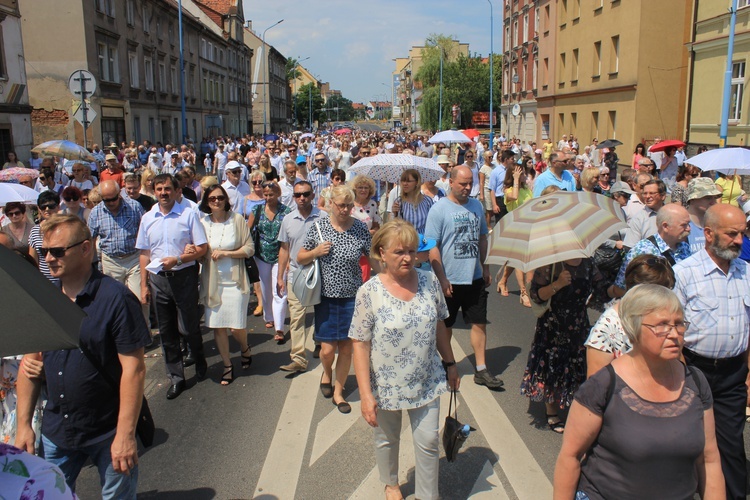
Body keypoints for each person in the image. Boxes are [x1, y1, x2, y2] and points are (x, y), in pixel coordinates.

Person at [15, 214, 150, 497]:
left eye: (58, 251)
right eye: (44, 252)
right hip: (57, 431)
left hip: (107, 430)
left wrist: (125, 435)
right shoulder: (45, 298)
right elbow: (30, 365)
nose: (49, 258)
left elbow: (134, 370)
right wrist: (24, 426)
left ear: (86, 248)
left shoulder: (116, 299)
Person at [554, 284, 724, 500]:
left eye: (679, 323)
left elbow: (708, 459)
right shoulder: (604, 385)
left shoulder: (696, 382)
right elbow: (570, 456)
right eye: (662, 325)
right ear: (634, 327)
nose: (674, 334)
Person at [350, 220, 460, 500]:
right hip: (386, 384)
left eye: (412, 251)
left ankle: (427, 495)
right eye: (399, 251)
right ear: (381, 253)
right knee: (387, 439)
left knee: (428, 442)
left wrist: (450, 364)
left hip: (427, 378)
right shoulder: (369, 292)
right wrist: (365, 395)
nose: (408, 258)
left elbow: (439, 327)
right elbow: (360, 346)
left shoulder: (429, 281)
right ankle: (390, 483)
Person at [674, 203, 750, 499]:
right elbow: (673, 332)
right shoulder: (684, 274)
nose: (739, 241)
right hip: (693, 371)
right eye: (732, 234)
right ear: (708, 233)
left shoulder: (747, 273)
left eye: (742, 234)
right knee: (687, 442)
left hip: (733, 374)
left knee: (730, 445)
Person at [425, 165, 503, 390]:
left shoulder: (477, 206)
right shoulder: (439, 209)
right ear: (450, 182)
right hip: (449, 278)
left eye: (470, 183)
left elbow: (482, 239)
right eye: (463, 184)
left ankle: (481, 369)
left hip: (474, 277)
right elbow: (433, 246)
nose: (468, 188)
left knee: (478, 323)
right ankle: (447, 364)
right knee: (446, 325)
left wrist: (485, 268)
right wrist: (442, 278)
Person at [298, 185, 372, 413]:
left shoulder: (359, 228)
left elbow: (373, 257)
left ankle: (339, 393)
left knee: (347, 348)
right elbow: (300, 257)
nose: (346, 209)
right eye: (341, 205)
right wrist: (315, 253)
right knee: (328, 350)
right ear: (331, 204)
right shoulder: (318, 228)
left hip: (353, 297)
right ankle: (326, 372)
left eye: (349, 205)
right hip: (326, 298)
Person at [136, 173, 209, 400]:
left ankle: (199, 357)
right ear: (154, 191)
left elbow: (202, 248)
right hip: (158, 280)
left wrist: (179, 259)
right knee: (167, 332)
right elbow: (145, 254)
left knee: (187, 327)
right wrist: (143, 286)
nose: (163, 193)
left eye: (167, 189)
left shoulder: (188, 215)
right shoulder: (148, 218)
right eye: (159, 189)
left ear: (175, 190)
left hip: (184, 276)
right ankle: (176, 378)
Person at [523, 253, 605, 432]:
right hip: (553, 326)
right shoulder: (551, 263)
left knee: (578, 366)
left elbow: (602, 286)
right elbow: (536, 295)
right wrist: (557, 284)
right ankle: (551, 410)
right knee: (553, 366)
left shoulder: (588, 263)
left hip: (578, 325)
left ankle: (575, 403)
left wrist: (623, 290)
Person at [198, 184, 254, 385]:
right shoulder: (202, 222)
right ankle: (227, 365)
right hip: (213, 282)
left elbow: (249, 248)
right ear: (206, 201)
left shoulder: (237, 220)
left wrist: (227, 254)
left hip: (235, 282)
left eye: (220, 198)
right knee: (218, 327)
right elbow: (199, 249)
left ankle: (245, 348)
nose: (216, 201)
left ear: (226, 200)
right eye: (212, 198)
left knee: (237, 326)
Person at [585, 254, 676, 377]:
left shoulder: (668, 317)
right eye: (662, 292)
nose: (667, 298)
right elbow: (595, 388)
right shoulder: (607, 327)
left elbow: (678, 364)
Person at [277, 180, 327, 372]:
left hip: (321, 275)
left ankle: (319, 341)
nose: (302, 198)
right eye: (298, 195)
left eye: (306, 194)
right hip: (296, 275)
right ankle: (298, 358)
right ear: (293, 197)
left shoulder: (324, 217)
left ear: (313, 195)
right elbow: (284, 249)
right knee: (296, 318)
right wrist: (280, 277)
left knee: (321, 314)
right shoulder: (288, 220)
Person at [88, 180, 148, 323]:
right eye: (106, 200)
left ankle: (144, 332)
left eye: (113, 198)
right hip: (110, 260)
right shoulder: (96, 213)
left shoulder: (134, 207)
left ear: (119, 194)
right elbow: (90, 239)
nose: (111, 202)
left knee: (139, 298)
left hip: (134, 258)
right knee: (115, 301)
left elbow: (146, 231)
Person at [610, 204, 692, 298]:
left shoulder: (685, 247)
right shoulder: (642, 250)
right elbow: (620, 289)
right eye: (684, 225)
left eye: (688, 224)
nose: (689, 229)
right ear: (665, 226)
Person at [247, 181, 292, 341]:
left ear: (278, 194)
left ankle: (279, 328)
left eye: (271, 195)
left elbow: (290, 236)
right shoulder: (257, 210)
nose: (267, 198)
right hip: (261, 256)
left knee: (279, 289)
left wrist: (289, 259)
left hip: (281, 253)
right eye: (265, 195)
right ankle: (269, 316)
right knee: (265, 289)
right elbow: (248, 231)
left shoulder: (286, 212)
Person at [497, 165, 533, 307]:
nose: (524, 175)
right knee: (519, 261)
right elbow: (514, 197)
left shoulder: (527, 189)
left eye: (523, 173)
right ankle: (523, 292)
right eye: (520, 174)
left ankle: (503, 281)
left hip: (529, 226)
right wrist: (516, 180)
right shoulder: (508, 190)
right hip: (516, 228)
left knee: (515, 259)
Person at [242, 170, 266, 317]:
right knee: (255, 270)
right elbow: (240, 219)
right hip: (251, 237)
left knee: (267, 270)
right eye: (254, 182)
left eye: (260, 182)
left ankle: (269, 299)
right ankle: (260, 301)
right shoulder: (244, 200)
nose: (257, 185)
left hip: (266, 237)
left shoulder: (268, 198)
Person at [28, 190, 61, 283]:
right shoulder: (35, 231)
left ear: (58, 207)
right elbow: (33, 260)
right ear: (39, 208)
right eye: (43, 207)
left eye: (51, 206)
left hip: (64, 280)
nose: (47, 209)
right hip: (44, 282)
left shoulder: (66, 228)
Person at [622, 179, 667, 248]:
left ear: (663, 196)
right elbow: (630, 248)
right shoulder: (638, 219)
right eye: (645, 193)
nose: (647, 196)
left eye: (651, 193)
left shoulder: (673, 215)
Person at [686, 177, 722, 255]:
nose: (713, 202)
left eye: (714, 198)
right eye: (708, 198)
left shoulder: (716, 224)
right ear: (692, 199)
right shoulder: (682, 225)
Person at [391, 169, 434, 234]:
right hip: (406, 240)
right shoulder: (399, 202)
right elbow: (395, 226)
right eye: (403, 181)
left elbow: (433, 223)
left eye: (408, 181)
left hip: (423, 240)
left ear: (417, 182)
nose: (405, 184)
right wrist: (394, 213)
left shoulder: (427, 201)